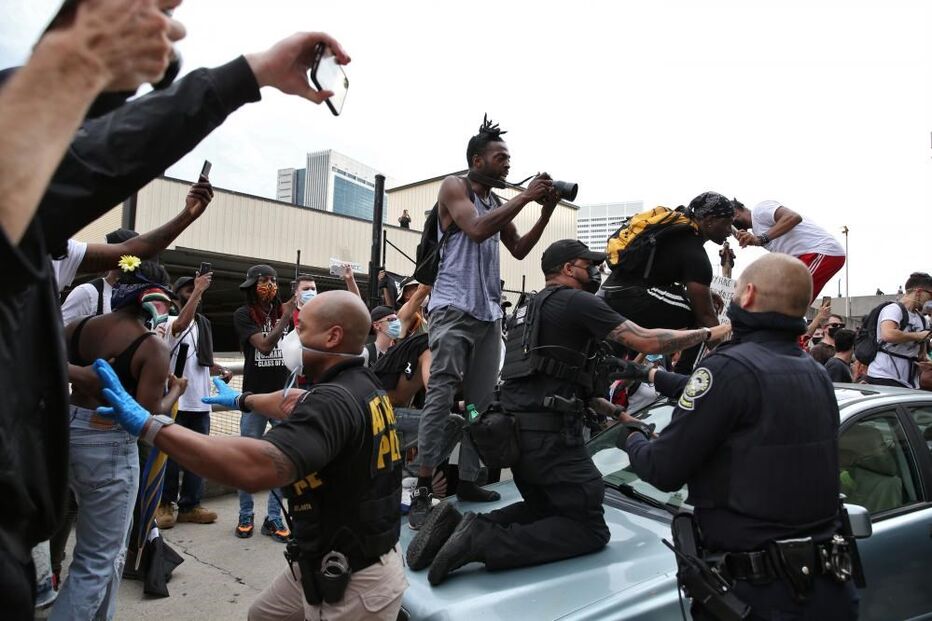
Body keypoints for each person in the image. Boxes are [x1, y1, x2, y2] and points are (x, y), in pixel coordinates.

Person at [1, 18, 351, 614]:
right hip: (94, 441)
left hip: (42, 466)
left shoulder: (48, 248)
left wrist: (188, 216)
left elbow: (134, 240)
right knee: (99, 553)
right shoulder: (85, 293)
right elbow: (97, 162)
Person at [410, 239, 730, 585]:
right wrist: (710, 331)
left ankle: (461, 527)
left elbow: (555, 376)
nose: (595, 271)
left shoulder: (528, 309)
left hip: (519, 438)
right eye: (588, 264)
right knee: (589, 527)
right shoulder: (576, 301)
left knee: (546, 510)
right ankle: (481, 541)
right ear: (567, 269)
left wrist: (619, 416)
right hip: (552, 442)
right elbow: (645, 341)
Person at [92, 291, 407, 620]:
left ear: (332, 336)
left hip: (354, 580)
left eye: (301, 330)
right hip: (325, 557)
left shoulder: (334, 401)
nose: (292, 339)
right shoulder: (359, 383)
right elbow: (292, 401)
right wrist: (242, 400)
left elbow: (255, 466)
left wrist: (152, 426)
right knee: (263, 615)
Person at [615, 253, 859, 620]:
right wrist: (652, 377)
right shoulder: (814, 372)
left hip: (759, 594)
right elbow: (736, 396)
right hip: (826, 588)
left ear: (746, 296)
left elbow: (663, 470)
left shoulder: (728, 368)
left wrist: (630, 434)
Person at [409, 115, 558, 527]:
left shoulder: (496, 202)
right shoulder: (454, 187)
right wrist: (526, 197)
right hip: (453, 309)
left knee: (477, 405)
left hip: (488, 313)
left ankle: (470, 477)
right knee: (441, 397)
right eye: (500, 157)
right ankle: (423, 485)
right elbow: (474, 229)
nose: (508, 164)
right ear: (477, 159)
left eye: (509, 158)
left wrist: (544, 211)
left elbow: (521, 249)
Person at [52, 259, 185, 621]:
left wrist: (82, 376)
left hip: (65, 433)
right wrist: (175, 392)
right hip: (108, 443)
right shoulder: (152, 348)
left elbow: (43, 366)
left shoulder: (79, 327)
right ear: (155, 300)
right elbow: (144, 419)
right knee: (99, 560)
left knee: (102, 556)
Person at [601, 192, 735, 374]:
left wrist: (705, 294)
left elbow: (662, 268)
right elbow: (706, 316)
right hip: (633, 298)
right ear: (709, 220)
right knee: (698, 314)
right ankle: (684, 374)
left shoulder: (673, 231)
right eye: (727, 223)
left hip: (609, 294)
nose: (730, 230)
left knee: (609, 359)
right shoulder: (694, 252)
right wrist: (732, 360)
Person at [157, 271, 233, 528]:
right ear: (176, 295)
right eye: (188, 289)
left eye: (197, 288)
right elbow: (179, 328)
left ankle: (191, 505)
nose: (194, 291)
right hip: (175, 400)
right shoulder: (167, 321)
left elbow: (202, 361)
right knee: (169, 456)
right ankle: (164, 504)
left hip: (200, 401)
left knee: (199, 457)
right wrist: (199, 290)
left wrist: (219, 369)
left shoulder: (203, 324)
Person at [233, 264, 295, 541]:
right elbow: (265, 345)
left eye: (272, 280)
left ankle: (274, 517)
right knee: (247, 458)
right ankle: (245, 514)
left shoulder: (286, 313)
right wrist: (287, 317)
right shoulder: (244, 315)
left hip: (282, 396)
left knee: (283, 458)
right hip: (256, 398)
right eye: (262, 281)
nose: (268, 285)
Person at [733, 200, 845, 302]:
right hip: (805, 258)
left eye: (730, 221)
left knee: (786, 301)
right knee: (791, 305)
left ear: (736, 212)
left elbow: (793, 217)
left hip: (821, 251)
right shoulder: (757, 231)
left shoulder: (760, 210)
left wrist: (761, 239)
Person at [864, 272, 932, 388]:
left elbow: (921, 354)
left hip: (909, 381)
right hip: (883, 376)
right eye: (931, 295)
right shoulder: (893, 309)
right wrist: (917, 336)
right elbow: (888, 334)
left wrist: (927, 363)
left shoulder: (922, 319)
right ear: (919, 292)